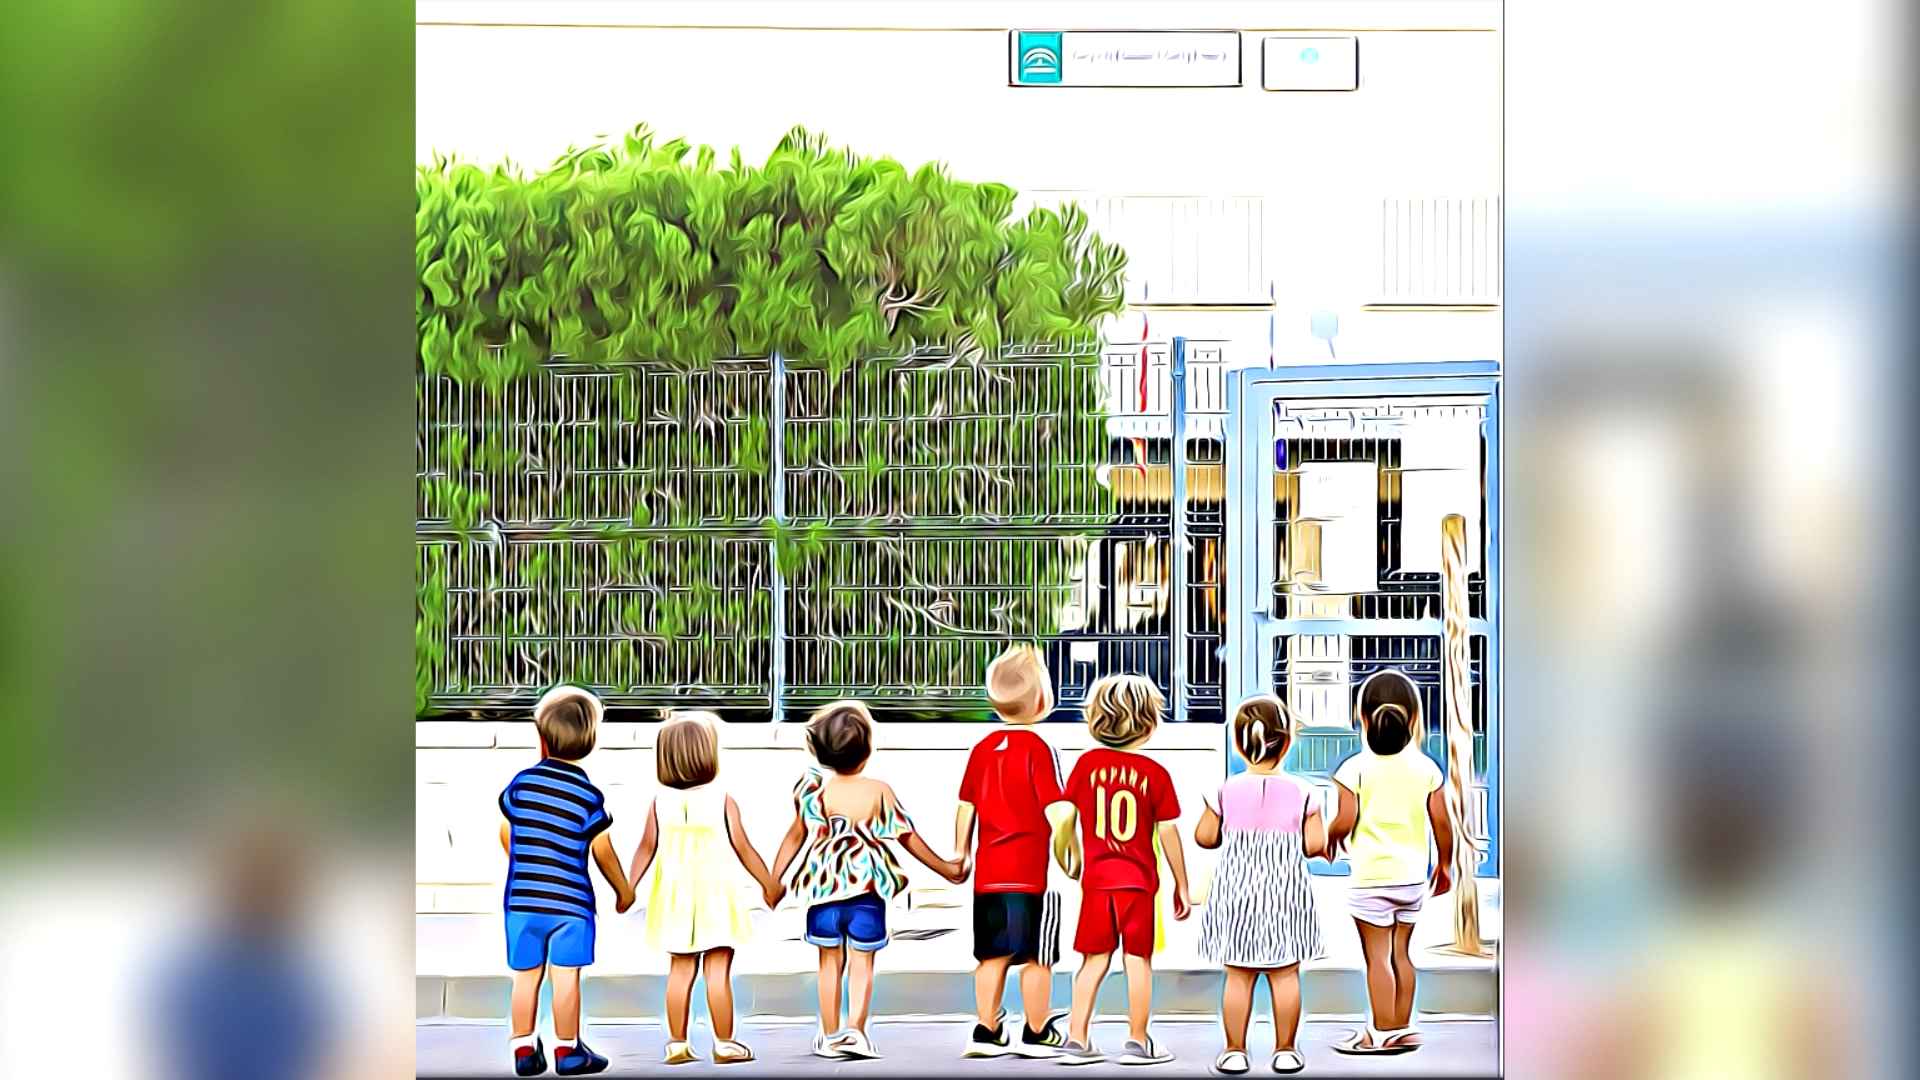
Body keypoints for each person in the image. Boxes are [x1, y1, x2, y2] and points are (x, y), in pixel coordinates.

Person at [768, 700, 969, 1060]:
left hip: (823, 894)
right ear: (867, 751)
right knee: (862, 963)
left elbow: (794, 837)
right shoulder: (878, 790)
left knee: (829, 963)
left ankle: (829, 1035)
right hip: (866, 893)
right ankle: (856, 1032)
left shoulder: (815, 792)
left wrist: (774, 879)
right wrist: (945, 868)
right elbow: (907, 838)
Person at [1051, 673, 1193, 1065]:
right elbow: (1168, 833)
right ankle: (1137, 1039)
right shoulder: (1155, 775)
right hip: (1139, 884)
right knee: (1137, 960)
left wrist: (1070, 857)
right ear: (1148, 724)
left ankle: (1077, 1038)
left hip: (1097, 882)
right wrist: (1181, 884)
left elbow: (1064, 817)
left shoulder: (1085, 766)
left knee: (1093, 960)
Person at [626, 711, 779, 1065]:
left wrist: (628, 887)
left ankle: (676, 1043)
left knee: (680, 970)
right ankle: (724, 1043)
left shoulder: (658, 803)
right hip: (715, 896)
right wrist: (768, 883)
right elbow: (743, 848)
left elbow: (645, 848)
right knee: (717, 971)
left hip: (674, 898)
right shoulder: (722, 800)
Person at [498, 685, 635, 1077]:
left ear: (540, 738)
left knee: (526, 977)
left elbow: (507, 835)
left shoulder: (521, 785)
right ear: (590, 742)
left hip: (523, 901)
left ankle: (524, 1049)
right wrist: (623, 890)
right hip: (571, 904)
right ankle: (567, 1049)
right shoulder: (587, 796)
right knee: (565, 977)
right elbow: (602, 851)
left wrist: (527, 863)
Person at [1196, 695, 1328, 1075]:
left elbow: (1205, 838)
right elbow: (1314, 845)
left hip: (1236, 892)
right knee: (1285, 975)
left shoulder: (1224, 789)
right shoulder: (1305, 792)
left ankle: (1234, 1050)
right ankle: (1285, 1050)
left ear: (1240, 745)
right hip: (1285, 892)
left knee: (1238, 976)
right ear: (1287, 743)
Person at [1325, 670, 1454, 1056]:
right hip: (1412, 878)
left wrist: (1331, 837)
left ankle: (1380, 1033)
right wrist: (1444, 865)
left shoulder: (1353, 769)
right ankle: (1401, 1027)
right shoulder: (1427, 768)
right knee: (1402, 954)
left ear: (1362, 718)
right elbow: (1442, 823)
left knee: (1377, 958)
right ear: (1414, 717)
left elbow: (1345, 820)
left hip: (1371, 879)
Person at [955, 645, 1070, 1058]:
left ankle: (986, 1030)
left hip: (988, 875)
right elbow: (1057, 809)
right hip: (1031, 876)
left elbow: (966, 805)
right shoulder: (1040, 749)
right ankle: (1037, 1031)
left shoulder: (982, 750)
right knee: (1037, 957)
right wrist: (1069, 852)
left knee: (991, 955)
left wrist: (961, 852)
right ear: (1042, 701)